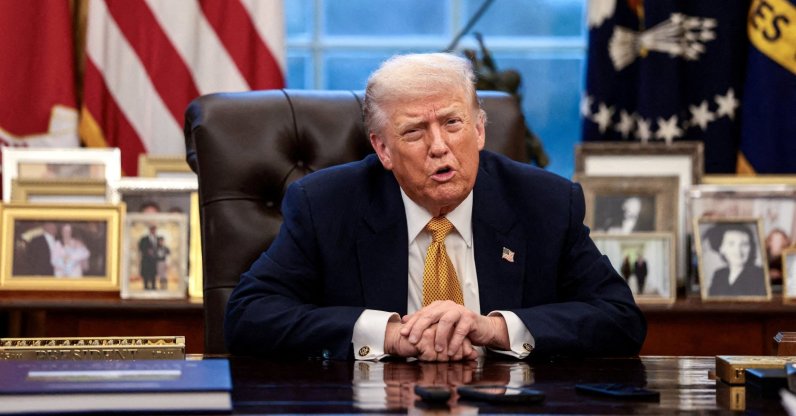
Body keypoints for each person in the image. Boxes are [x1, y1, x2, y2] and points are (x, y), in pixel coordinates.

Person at [224, 52, 646, 361]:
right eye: (414, 132)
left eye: (452, 123)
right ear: (383, 149)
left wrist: (494, 329)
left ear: (479, 130)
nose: (439, 147)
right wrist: (387, 335)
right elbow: (249, 316)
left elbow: (620, 318)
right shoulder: (325, 205)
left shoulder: (545, 202)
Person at [706, 224, 767, 297]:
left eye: (744, 244)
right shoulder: (719, 275)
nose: (738, 251)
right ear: (721, 248)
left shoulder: (760, 275)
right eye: (731, 244)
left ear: (751, 248)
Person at [138, 225, 159, 290]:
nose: (154, 231)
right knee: (146, 273)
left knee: (153, 273)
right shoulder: (144, 239)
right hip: (146, 259)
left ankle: (153, 286)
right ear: (150, 230)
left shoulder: (157, 239)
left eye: (154, 230)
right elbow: (140, 247)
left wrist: (155, 253)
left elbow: (160, 248)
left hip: (154, 260)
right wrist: (147, 251)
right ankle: (146, 286)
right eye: (152, 230)